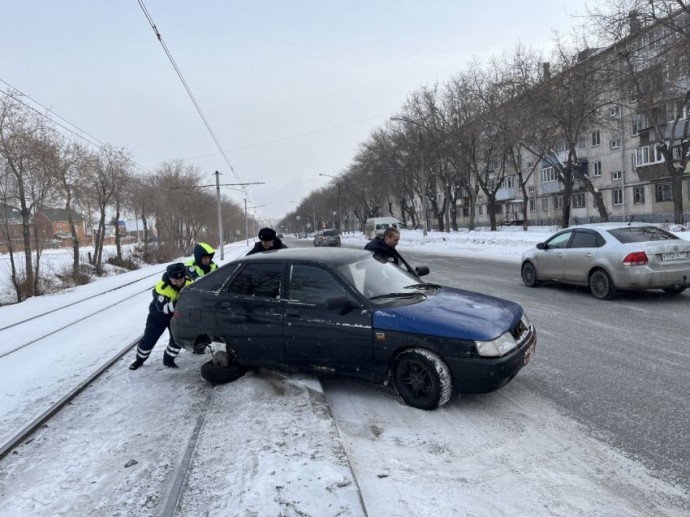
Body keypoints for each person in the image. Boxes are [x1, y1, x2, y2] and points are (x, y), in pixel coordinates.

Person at [129, 262, 194, 370]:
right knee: (149, 339)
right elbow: (163, 308)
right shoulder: (162, 287)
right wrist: (182, 303)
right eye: (175, 281)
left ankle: (168, 360)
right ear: (170, 278)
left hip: (176, 316)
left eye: (181, 280)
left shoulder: (189, 282)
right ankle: (139, 360)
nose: (179, 283)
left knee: (177, 339)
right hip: (158, 316)